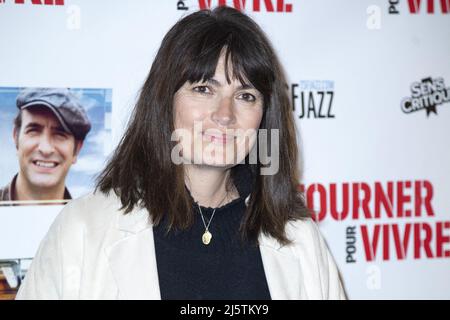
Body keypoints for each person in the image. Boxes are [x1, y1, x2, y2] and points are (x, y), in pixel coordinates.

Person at [16, 7, 346, 299]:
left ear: (264, 115)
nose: (225, 114)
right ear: (165, 101)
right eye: (203, 89)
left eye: (246, 95)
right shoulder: (83, 230)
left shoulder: (299, 238)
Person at [0, 88, 91, 205]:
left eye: (60, 134)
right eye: (34, 131)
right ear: (15, 138)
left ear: (77, 149)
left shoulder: (91, 221)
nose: (45, 149)